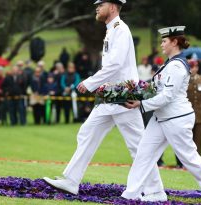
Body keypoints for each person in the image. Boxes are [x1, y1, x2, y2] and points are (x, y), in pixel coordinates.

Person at [43, 0, 164, 200]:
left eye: (101, 4)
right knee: (87, 133)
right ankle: (71, 181)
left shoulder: (120, 29)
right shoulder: (111, 30)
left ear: (114, 7)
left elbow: (115, 64)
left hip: (123, 96)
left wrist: (90, 83)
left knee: (138, 146)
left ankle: (156, 191)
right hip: (111, 95)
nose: (97, 7)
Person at [121, 26, 201, 205]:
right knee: (143, 154)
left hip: (176, 119)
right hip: (162, 117)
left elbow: (166, 97)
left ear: (174, 42)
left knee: (189, 158)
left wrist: (141, 104)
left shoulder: (177, 66)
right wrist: (135, 91)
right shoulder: (169, 63)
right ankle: (133, 194)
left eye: (164, 41)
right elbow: (156, 89)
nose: (162, 44)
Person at [175, 59, 201, 169]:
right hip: (185, 115)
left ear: (198, 68)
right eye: (191, 67)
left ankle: (197, 163)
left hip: (199, 114)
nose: (193, 69)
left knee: (198, 140)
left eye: (195, 67)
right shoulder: (183, 79)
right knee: (185, 140)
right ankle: (184, 163)